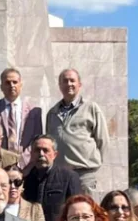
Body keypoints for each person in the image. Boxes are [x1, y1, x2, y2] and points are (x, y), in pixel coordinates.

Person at [45, 69, 109, 198]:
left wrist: (93, 163)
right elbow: (48, 143)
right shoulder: (52, 113)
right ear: (60, 85)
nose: (69, 84)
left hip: (84, 175)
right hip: (61, 175)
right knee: (62, 210)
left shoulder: (91, 108)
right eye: (65, 81)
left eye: (72, 80)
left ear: (79, 84)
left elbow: (103, 140)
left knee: (87, 208)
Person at [23, 135, 83, 221]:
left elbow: (77, 210)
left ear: (55, 154)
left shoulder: (68, 177)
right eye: (37, 150)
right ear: (31, 154)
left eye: (45, 150)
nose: (41, 154)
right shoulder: (26, 180)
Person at [0, 68, 43, 168]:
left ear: (21, 85)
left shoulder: (34, 111)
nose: (12, 85)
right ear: (1, 87)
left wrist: (22, 163)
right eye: (7, 82)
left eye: (15, 82)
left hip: (27, 166)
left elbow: (37, 140)